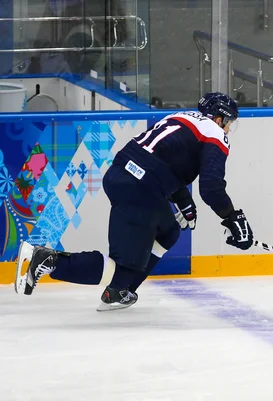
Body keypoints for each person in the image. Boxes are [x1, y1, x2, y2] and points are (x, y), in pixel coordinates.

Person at [14, 92, 254, 311]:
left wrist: (182, 199)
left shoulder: (180, 117)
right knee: (119, 268)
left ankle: (120, 291)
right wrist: (233, 218)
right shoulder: (214, 132)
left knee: (169, 231)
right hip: (142, 189)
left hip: (120, 175)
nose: (228, 128)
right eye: (229, 122)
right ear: (219, 118)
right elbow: (211, 187)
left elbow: (163, 158)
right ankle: (49, 260)